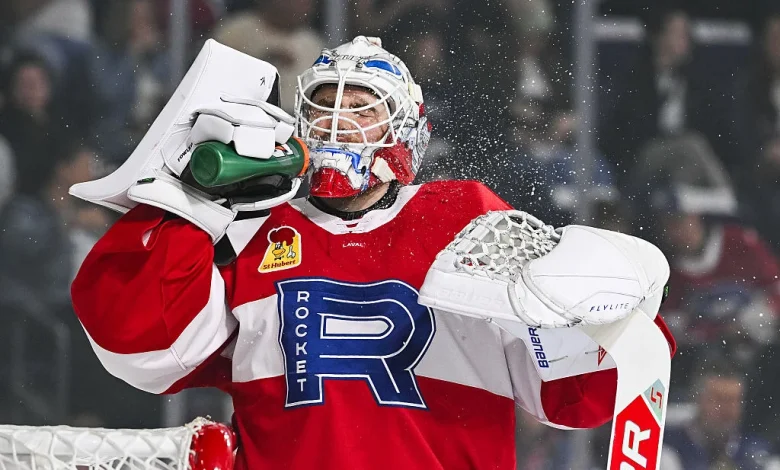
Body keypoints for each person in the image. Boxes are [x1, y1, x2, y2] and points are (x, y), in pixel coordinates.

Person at [70, 36, 675, 469]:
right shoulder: (251, 227)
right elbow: (143, 350)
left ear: (406, 130)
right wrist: (188, 206)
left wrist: (611, 321)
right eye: (322, 106)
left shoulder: (464, 216)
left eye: (360, 107)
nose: (336, 122)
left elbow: (571, 395)